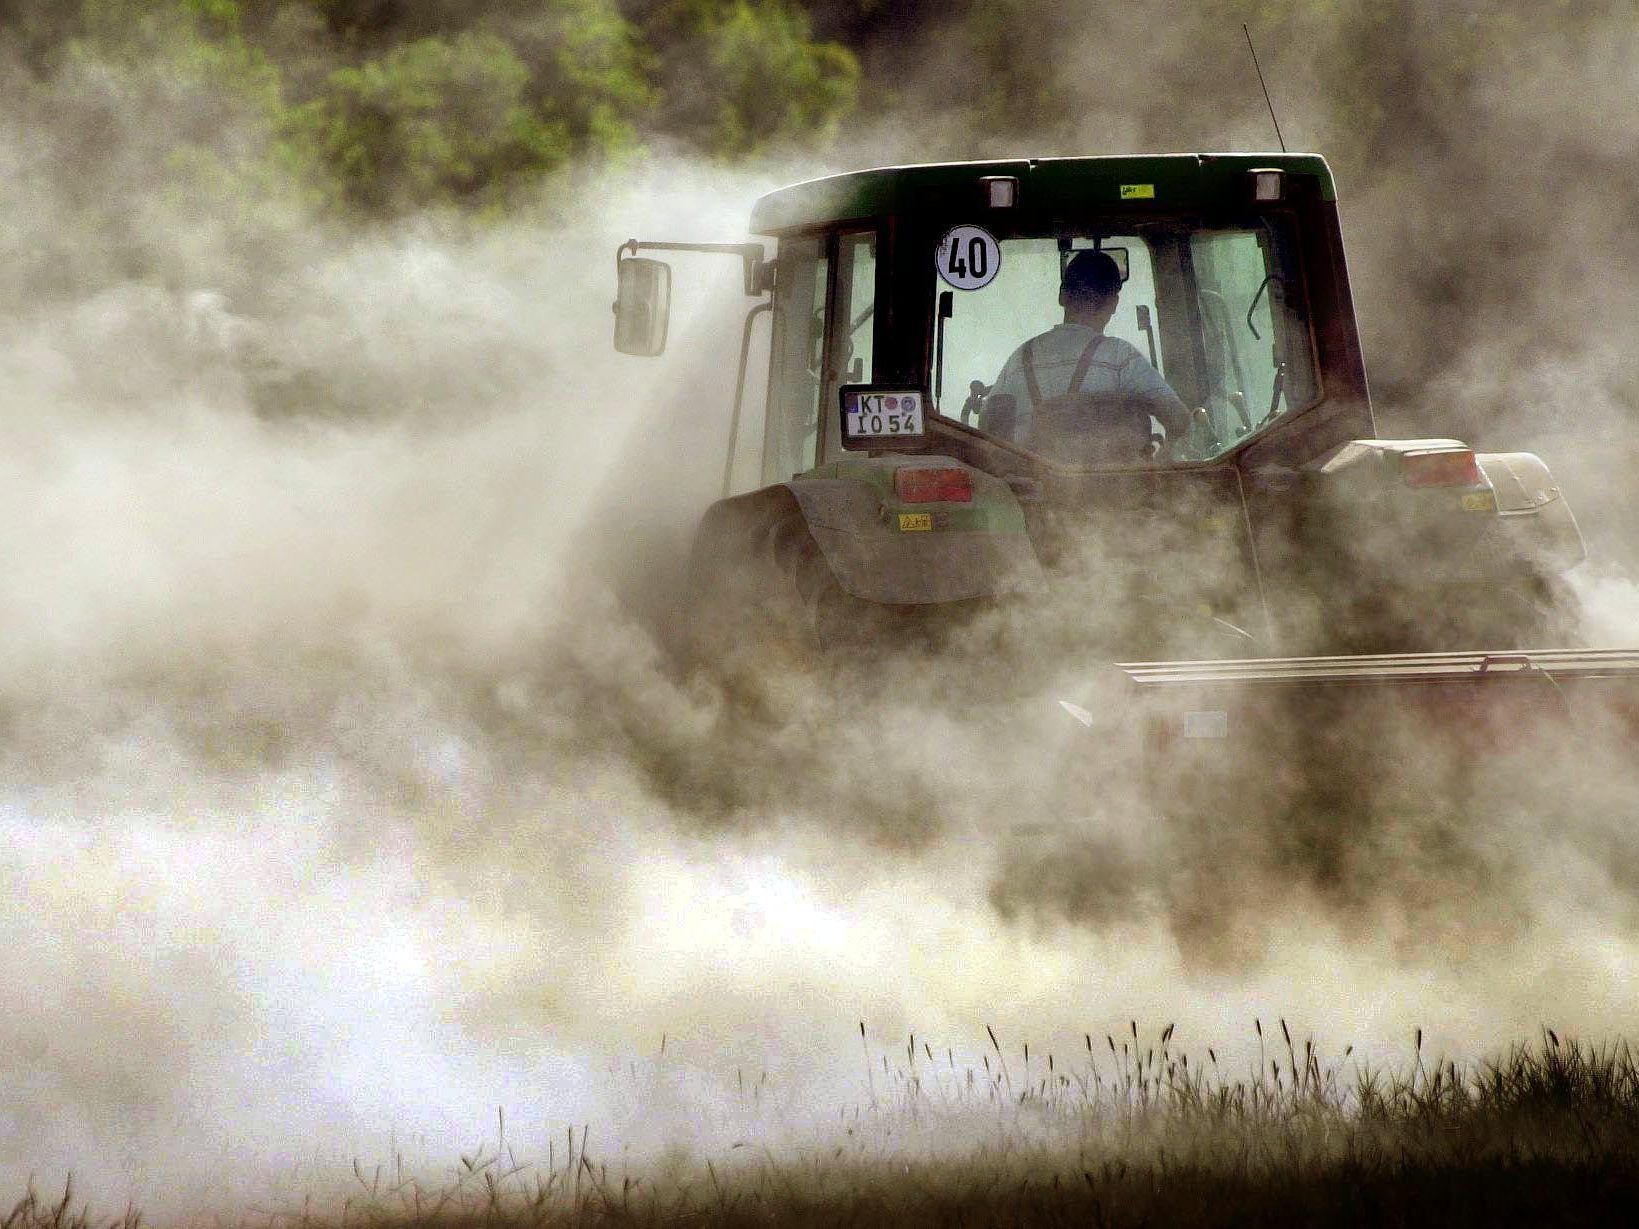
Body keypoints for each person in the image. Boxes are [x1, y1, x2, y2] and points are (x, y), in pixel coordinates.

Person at [980, 249, 1190, 456]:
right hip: (1117, 488)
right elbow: (1179, 420)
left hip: (1034, 485)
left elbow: (989, 433)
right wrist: (1164, 458)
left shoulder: (1020, 359)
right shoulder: (1120, 356)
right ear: (1113, 304)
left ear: (1062, 296)